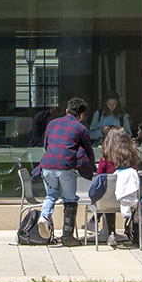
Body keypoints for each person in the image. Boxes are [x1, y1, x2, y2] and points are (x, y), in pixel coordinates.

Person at [39, 97, 95, 245]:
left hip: (47, 165)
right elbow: (89, 150)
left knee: (51, 195)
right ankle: (67, 237)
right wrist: (91, 168)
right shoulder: (81, 128)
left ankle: (44, 217)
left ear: (66, 110)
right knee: (70, 200)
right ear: (81, 115)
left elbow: (46, 145)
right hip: (65, 166)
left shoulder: (52, 124)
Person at [95, 128, 142, 246]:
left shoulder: (105, 159)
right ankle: (129, 228)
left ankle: (111, 233)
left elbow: (100, 177)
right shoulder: (132, 158)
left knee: (108, 195)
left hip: (108, 202)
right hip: (128, 199)